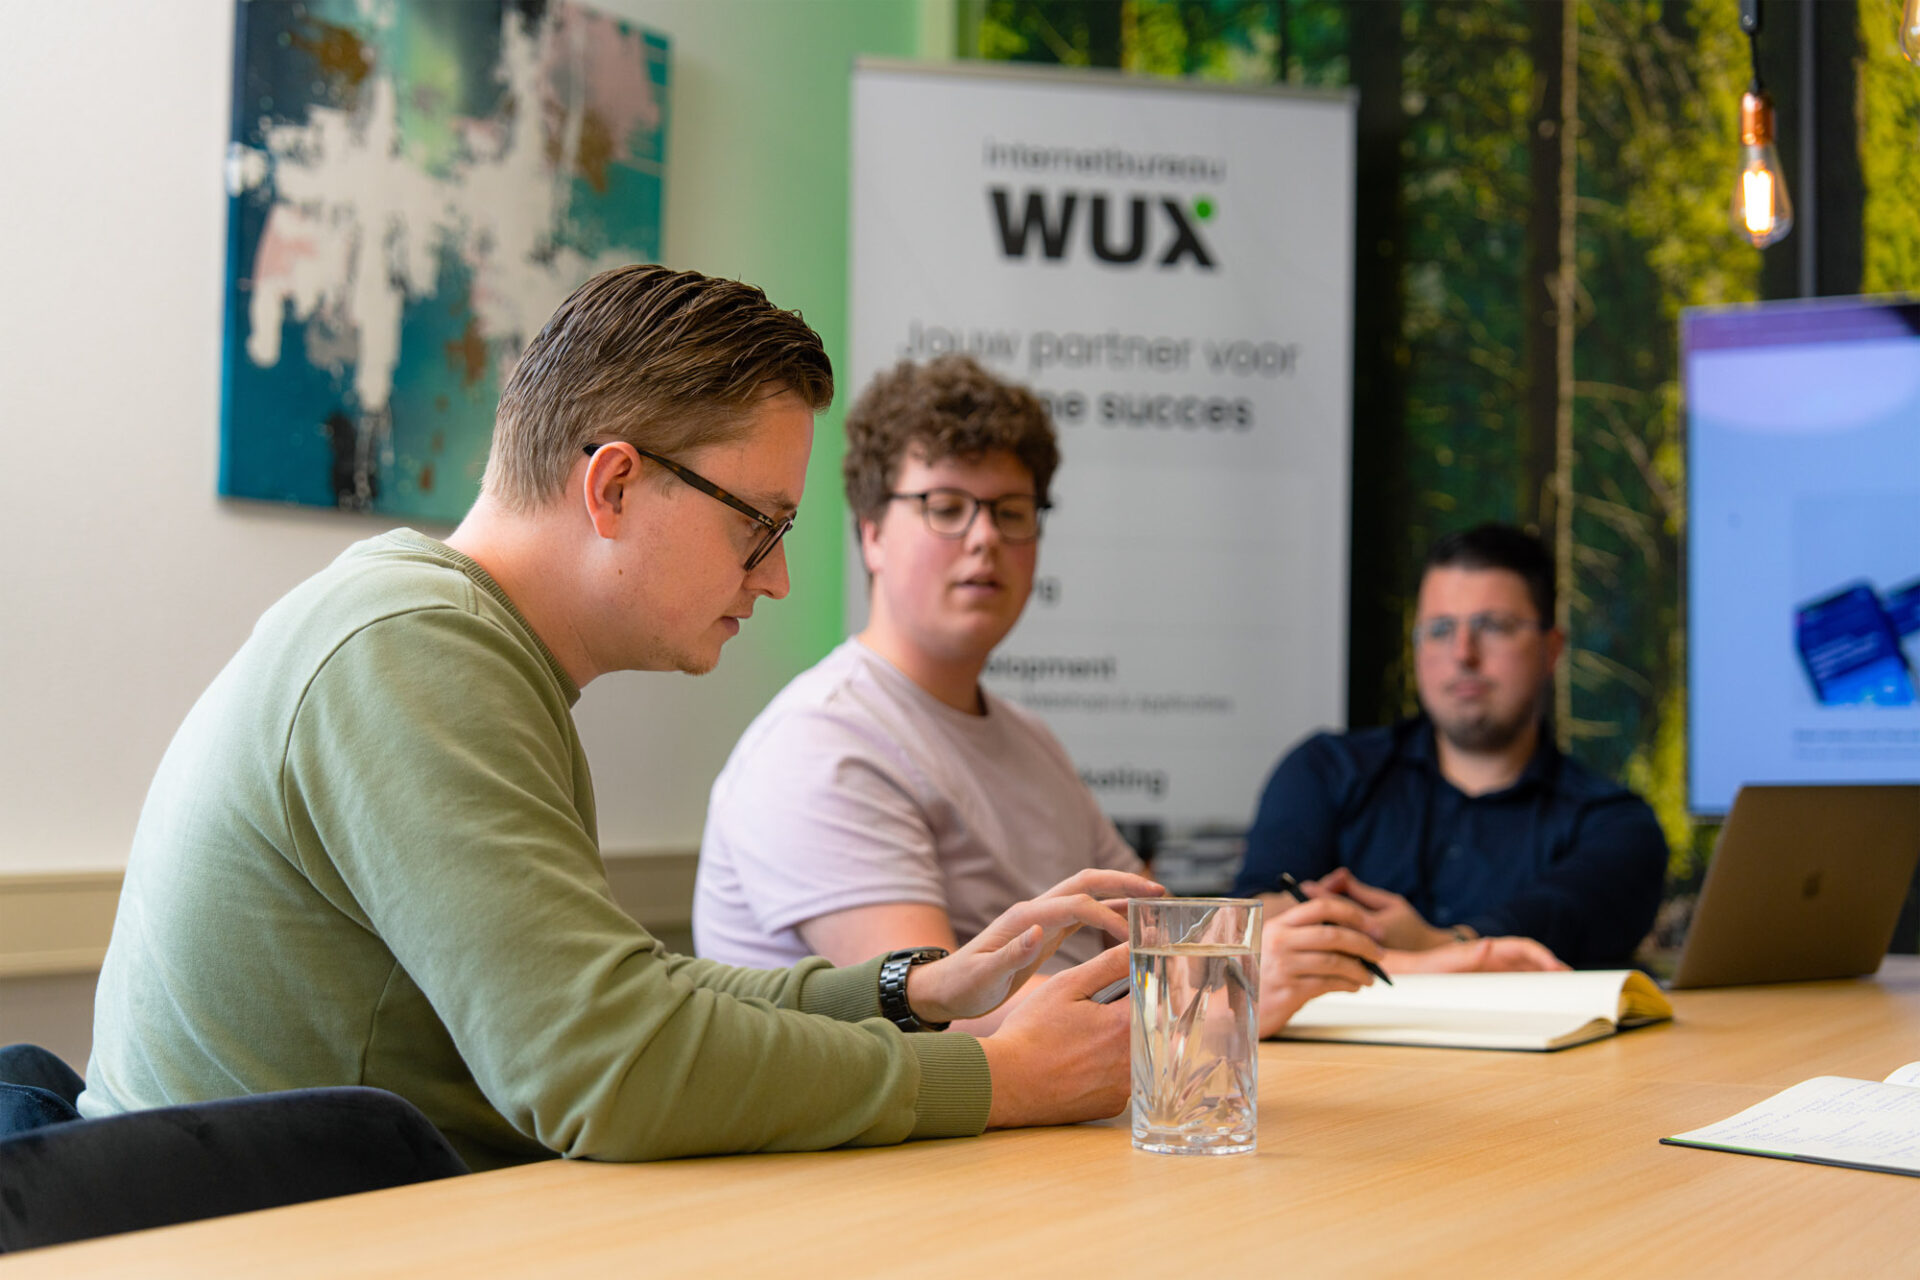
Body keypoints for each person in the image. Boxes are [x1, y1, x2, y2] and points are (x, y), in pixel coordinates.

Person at [79, 266, 1161, 1171]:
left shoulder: (458, 642)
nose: (777, 576)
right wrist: (995, 1073)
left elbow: (617, 992)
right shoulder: (409, 651)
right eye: (761, 523)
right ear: (613, 487)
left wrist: (908, 990)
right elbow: (606, 1063)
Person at [694, 354, 1389, 1035]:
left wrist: (1330, 940)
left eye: (1012, 510)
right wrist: (1223, 984)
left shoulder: (1028, 738)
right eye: (946, 507)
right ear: (871, 534)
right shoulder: (820, 744)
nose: (985, 538)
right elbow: (946, 1015)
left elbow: (1155, 932)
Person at [1232, 523, 1668, 970]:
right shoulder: (1324, 771)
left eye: (1493, 626)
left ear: (1551, 649)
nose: (1463, 653)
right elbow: (1251, 919)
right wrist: (1286, 919)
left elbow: (1562, 915)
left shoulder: (1615, 824)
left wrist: (1439, 945)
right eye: (1440, 629)